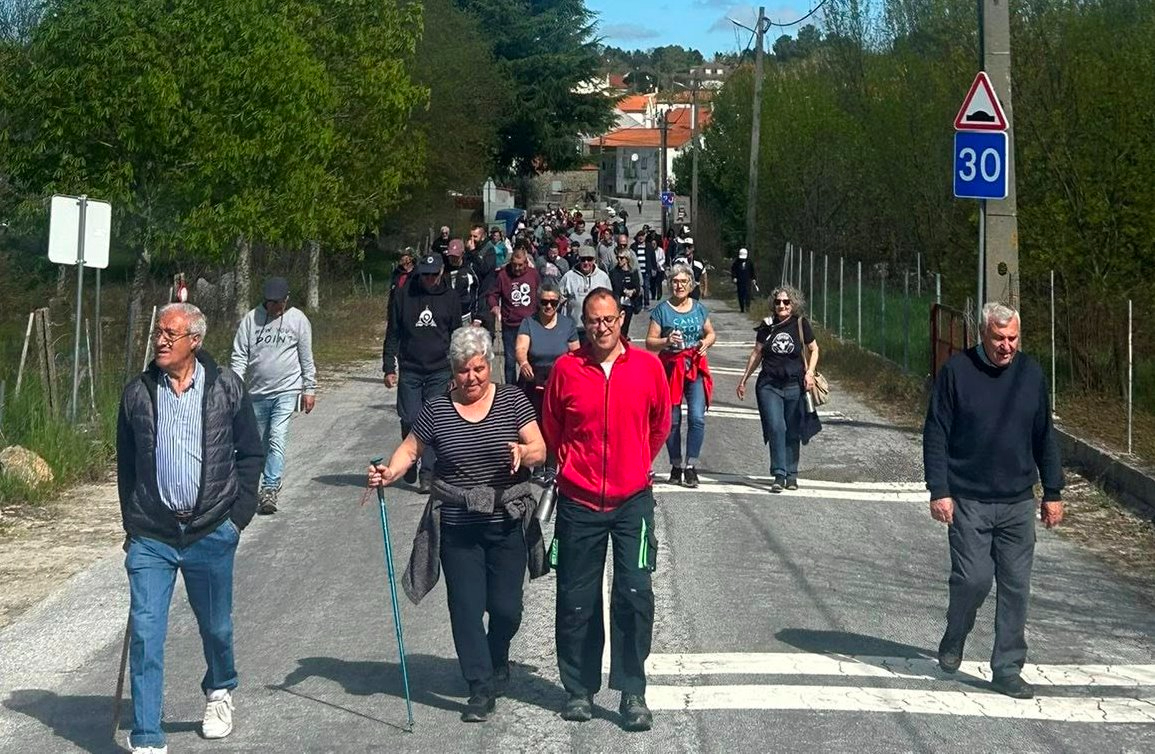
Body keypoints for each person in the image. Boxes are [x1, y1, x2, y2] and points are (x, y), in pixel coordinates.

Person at [370, 327, 547, 723]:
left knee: (506, 608)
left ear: (489, 365)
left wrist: (524, 451)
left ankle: (497, 650)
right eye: (465, 370)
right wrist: (389, 472)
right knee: (465, 608)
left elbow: (540, 447)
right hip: (457, 522)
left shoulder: (513, 400)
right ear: (453, 370)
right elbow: (410, 449)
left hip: (505, 518)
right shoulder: (437, 409)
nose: (473, 378)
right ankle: (480, 686)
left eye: (480, 369)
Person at [117, 303, 264, 753]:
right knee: (145, 632)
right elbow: (126, 467)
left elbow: (251, 455)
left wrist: (236, 519)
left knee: (216, 626)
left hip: (210, 531)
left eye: (170, 334)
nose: (160, 340)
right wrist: (133, 524)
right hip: (153, 536)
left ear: (194, 341)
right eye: (158, 332)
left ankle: (219, 689)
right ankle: (146, 736)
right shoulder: (137, 393)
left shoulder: (225, 387)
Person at [542, 288, 670, 732]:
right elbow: (553, 427)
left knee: (635, 595)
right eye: (594, 320)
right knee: (577, 599)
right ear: (584, 322)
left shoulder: (649, 368)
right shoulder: (566, 370)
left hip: (632, 501)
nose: (602, 327)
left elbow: (660, 425)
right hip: (579, 502)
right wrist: (575, 467)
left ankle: (632, 690)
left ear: (622, 320)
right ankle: (578, 689)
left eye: (609, 319)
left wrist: (634, 463)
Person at [923, 302, 1063, 700]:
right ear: (982, 335)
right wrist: (940, 489)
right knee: (974, 579)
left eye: (1013, 338)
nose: (1007, 347)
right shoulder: (957, 372)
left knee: (1016, 587)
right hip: (968, 498)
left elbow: (1044, 436)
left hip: (1018, 500)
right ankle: (956, 632)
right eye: (999, 338)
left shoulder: (1031, 374)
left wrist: (1052, 491)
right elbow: (936, 433)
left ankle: (1006, 667)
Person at [229, 277, 316, 514]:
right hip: (256, 392)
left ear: (286, 299)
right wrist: (235, 389)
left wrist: (309, 388)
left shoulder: (297, 320)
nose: (276, 307)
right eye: (271, 302)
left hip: (286, 390)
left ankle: (270, 488)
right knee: (257, 442)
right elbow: (239, 357)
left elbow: (306, 357)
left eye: (279, 302)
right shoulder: (250, 320)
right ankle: (247, 488)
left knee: (277, 436)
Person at [382, 252, 460, 493]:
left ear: (440, 273)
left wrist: (458, 371)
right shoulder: (404, 295)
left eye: (433, 275)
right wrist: (389, 367)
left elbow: (457, 335)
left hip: (439, 368)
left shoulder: (451, 297)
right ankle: (410, 459)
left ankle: (428, 473)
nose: (429, 279)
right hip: (411, 367)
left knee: (433, 420)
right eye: (424, 275)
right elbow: (393, 332)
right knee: (410, 417)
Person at [736, 285, 818, 492]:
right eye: (778, 302)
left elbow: (814, 349)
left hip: (794, 385)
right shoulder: (767, 326)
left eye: (786, 302)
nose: (782, 305)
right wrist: (744, 379)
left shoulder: (800, 324)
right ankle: (779, 474)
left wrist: (810, 373)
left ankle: (792, 474)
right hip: (769, 385)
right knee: (776, 427)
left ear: (793, 305)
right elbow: (756, 353)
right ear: (773, 304)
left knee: (792, 429)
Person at [646, 264, 716, 488]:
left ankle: (691, 466)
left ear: (691, 284)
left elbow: (711, 333)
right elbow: (650, 342)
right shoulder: (662, 310)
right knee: (672, 420)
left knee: (697, 417)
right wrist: (667, 341)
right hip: (670, 368)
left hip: (694, 367)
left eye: (684, 282)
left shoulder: (698, 308)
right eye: (675, 282)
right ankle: (676, 465)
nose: (679, 286)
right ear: (669, 284)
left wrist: (706, 342)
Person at [514, 278, 579, 425]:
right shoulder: (528, 322)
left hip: (558, 380)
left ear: (558, 303)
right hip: (533, 379)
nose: (549, 306)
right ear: (538, 302)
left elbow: (576, 354)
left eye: (553, 303)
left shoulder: (568, 324)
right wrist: (524, 363)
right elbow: (521, 348)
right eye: (544, 302)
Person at [488, 243, 541, 384]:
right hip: (510, 324)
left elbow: (540, 293)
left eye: (520, 265)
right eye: (514, 265)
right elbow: (492, 294)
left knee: (528, 360)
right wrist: (494, 306)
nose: (517, 268)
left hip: (530, 324)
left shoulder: (533, 274)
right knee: (510, 361)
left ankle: (525, 388)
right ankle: (511, 390)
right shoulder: (503, 275)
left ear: (526, 263)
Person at [559, 247, 612, 345]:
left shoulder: (603, 277)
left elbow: (610, 302)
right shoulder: (568, 277)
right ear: (579, 259)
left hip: (597, 328)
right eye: (583, 259)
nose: (586, 262)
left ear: (594, 260)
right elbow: (559, 298)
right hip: (575, 329)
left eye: (589, 259)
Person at [609, 247, 642, 337]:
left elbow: (637, 287)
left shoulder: (633, 272)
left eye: (622, 258)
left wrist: (633, 291)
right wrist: (625, 291)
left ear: (627, 259)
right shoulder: (614, 272)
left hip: (629, 303)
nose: (619, 260)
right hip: (618, 302)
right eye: (618, 258)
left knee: (626, 325)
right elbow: (616, 285)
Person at [730, 248, 757, 313]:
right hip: (739, 281)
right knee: (740, 294)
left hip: (747, 281)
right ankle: (742, 308)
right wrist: (734, 277)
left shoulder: (749, 262)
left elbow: (752, 271)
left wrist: (754, 278)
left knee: (748, 294)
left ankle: (747, 307)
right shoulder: (736, 262)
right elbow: (733, 270)